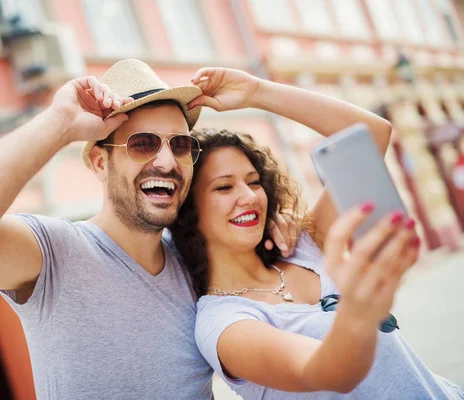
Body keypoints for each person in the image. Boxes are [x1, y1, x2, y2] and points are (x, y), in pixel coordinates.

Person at [0, 59, 297, 399]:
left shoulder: (196, 260)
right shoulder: (55, 253)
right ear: (99, 163)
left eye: (181, 145)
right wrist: (61, 124)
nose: (167, 160)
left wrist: (276, 235)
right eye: (143, 144)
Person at [170, 67, 464, 399]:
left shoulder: (305, 244)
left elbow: (369, 133)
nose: (249, 196)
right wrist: (359, 306)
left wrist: (256, 93)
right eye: (224, 187)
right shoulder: (223, 324)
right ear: (189, 213)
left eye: (253, 182)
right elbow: (322, 371)